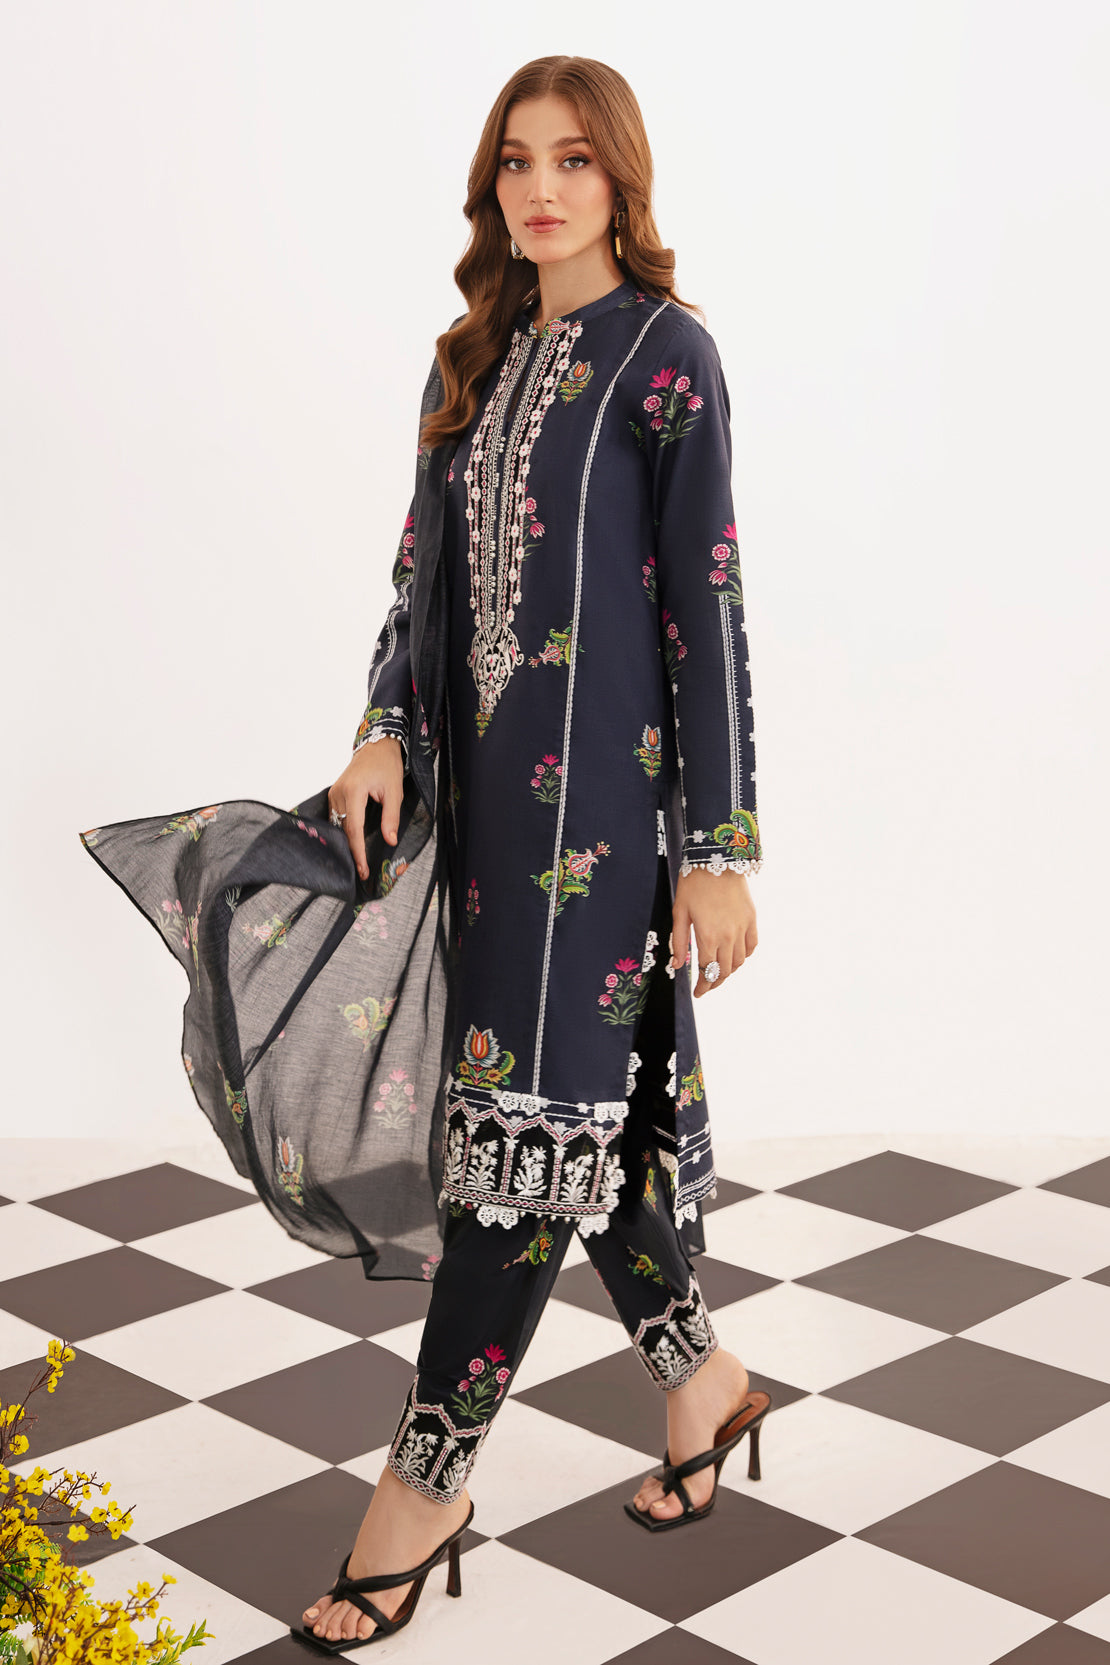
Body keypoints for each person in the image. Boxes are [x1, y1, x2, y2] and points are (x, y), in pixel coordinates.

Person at [79, 53, 771, 1655]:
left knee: (519, 1150)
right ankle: (704, 1382)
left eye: (573, 160)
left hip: (600, 838)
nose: (542, 188)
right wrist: (384, 725)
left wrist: (720, 847)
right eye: (516, 161)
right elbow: (418, 584)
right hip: (475, 824)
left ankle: (422, 1487)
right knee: (573, 1123)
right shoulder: (469, 360)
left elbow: (707, 602)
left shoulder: (666, 359)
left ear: (622, 179)